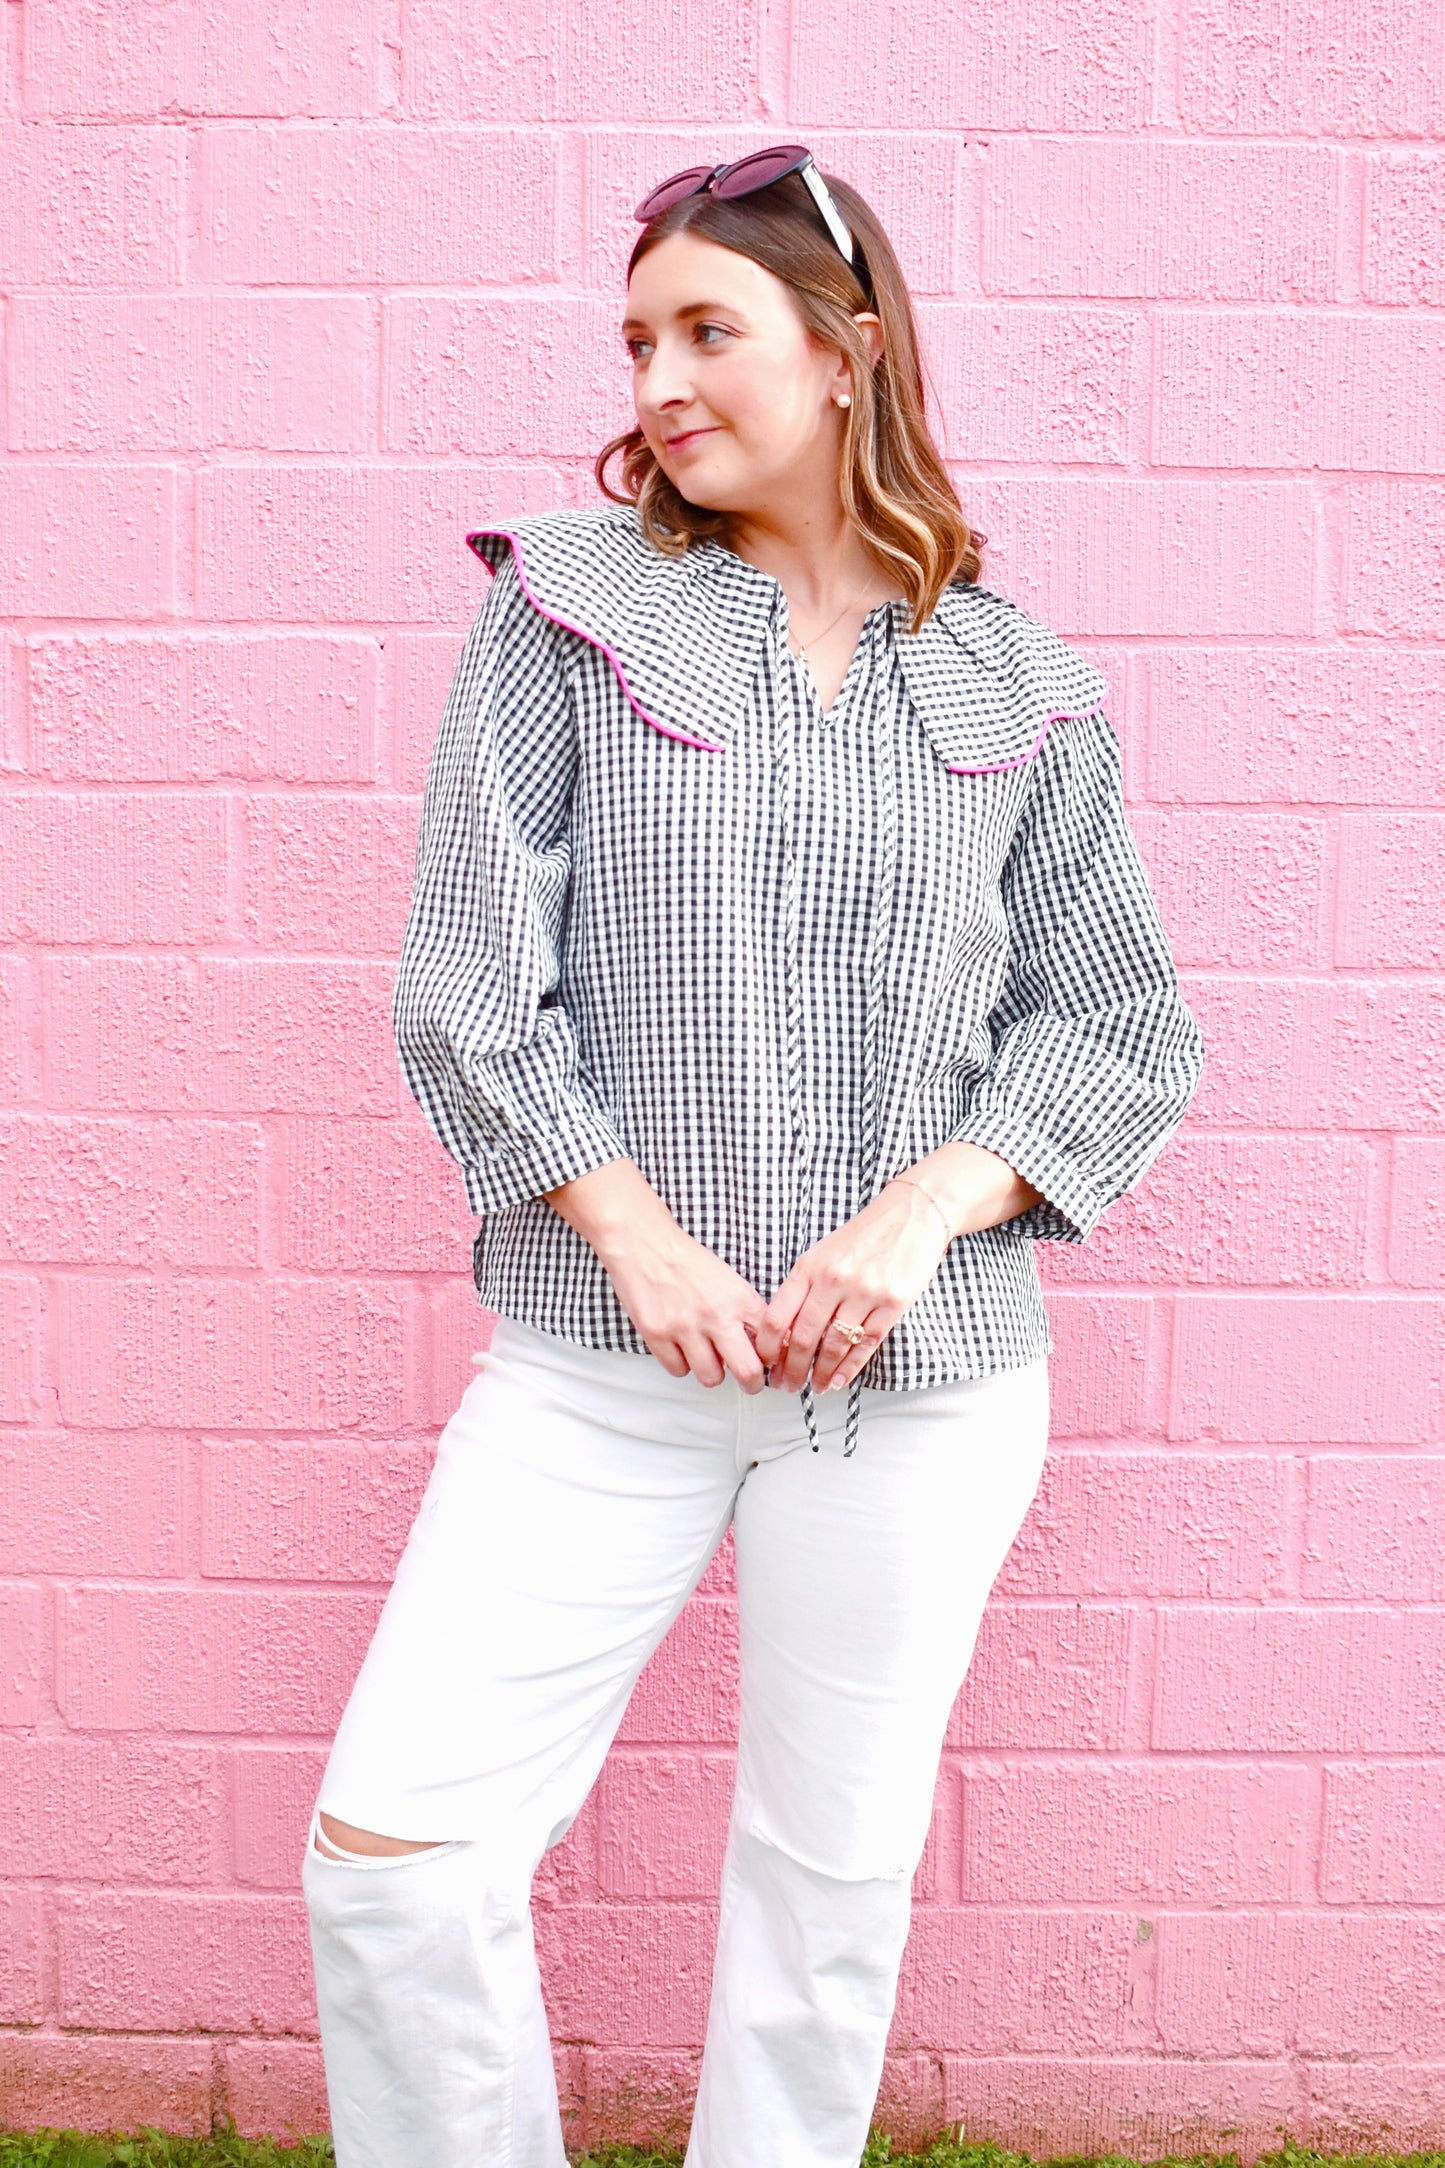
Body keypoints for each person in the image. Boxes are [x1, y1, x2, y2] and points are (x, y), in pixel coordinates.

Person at [300, 145, 1205, 2168]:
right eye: (639, 342)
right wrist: (630, 1234)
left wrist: (925, 1209)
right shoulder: (566, 608)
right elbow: (467, 980)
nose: (660, 382)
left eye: (710, 331)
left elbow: (1120, 1022)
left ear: (849, 351)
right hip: (602, 1371)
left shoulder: (1023, 685)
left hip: (922, 1393)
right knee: (394, 1852)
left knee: (827, 1883)